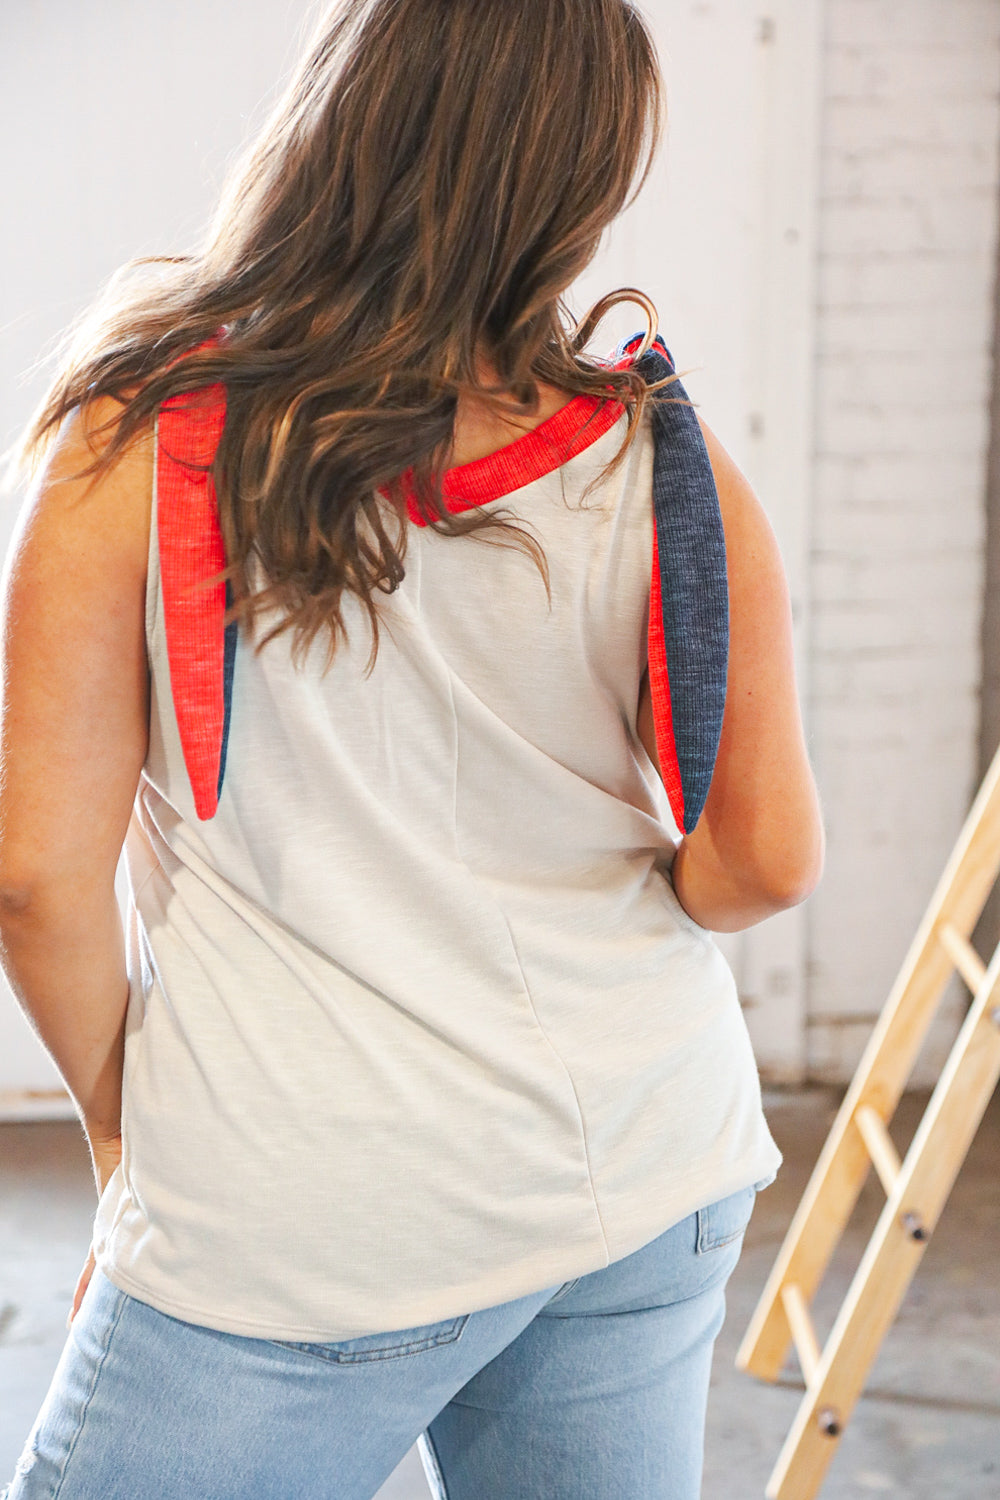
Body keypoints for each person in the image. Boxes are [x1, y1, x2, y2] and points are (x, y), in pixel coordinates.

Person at [0, 1, 824, 1496]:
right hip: (639, 1176)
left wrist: (129, 1139)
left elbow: (34, 881)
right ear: (574, 182)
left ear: (338, 117)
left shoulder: (142, 435)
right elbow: (764, 859)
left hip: (300, 1206)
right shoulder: (661, 458)